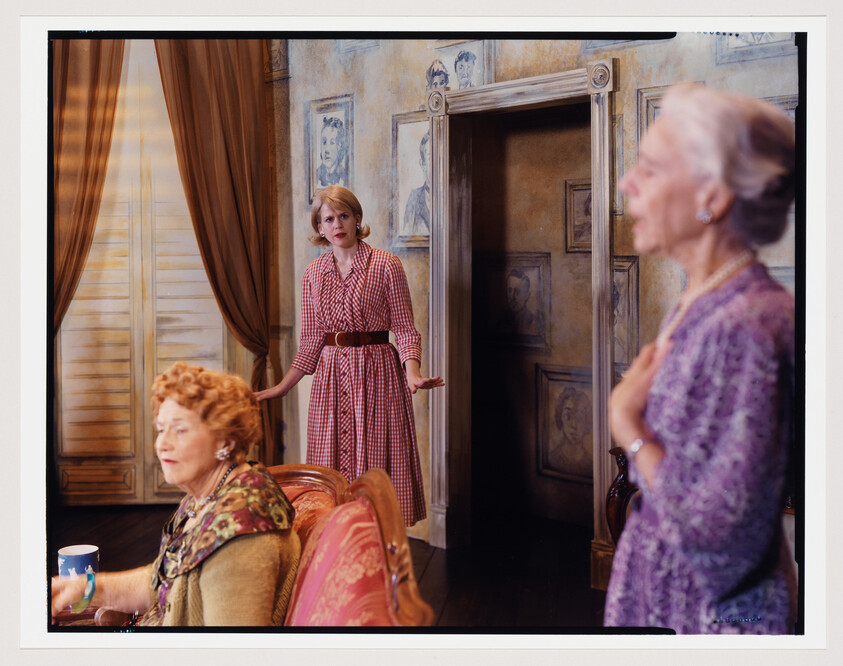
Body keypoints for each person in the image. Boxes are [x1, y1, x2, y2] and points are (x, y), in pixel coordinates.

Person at [604, 83, 797, 634]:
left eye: (650, 167)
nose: (626, 184)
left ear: (712, 192)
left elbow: (722, 537)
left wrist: (627, 423)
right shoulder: (704, 297)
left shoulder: (750, 323)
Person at [51, 363, 300, 626]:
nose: (162, 444)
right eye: (161, 429)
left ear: (225, 441)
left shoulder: (241, 535)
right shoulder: (207, 497)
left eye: (180, 430)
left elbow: (230, 652)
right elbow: (165, 581)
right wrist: (82, 589)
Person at [256, 186, 443, 526]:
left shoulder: (387, 265)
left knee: (378, 466)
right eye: (329, 218)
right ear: (320, 228)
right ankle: (339, 554)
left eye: (344, 215)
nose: (338, 224)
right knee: (330, 475)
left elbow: (404, 328)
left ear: (357, 220)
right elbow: (312, 340)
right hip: (330, 380)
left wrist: (412, 373)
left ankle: (382, 559)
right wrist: (282, 388)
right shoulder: (313, 274)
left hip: (379, 375)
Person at [402, 131, 431, 237]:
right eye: (430, 158)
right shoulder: (414, 198)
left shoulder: (456, 198)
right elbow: (406, 235)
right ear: (423, 164)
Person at [316, 116, 347, 188]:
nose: (326, 149)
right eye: (324, 142)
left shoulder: (345, 176)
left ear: (339, 146)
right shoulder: (315, 176)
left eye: (332, 142)